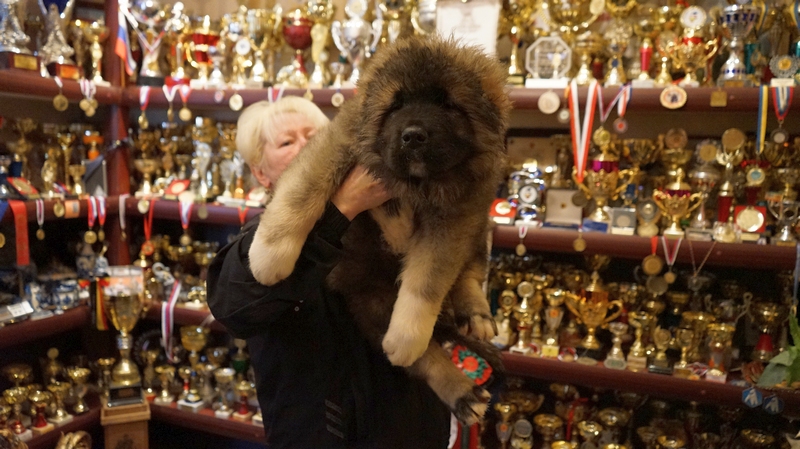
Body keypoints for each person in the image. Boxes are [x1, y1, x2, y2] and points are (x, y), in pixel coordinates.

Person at [207, 96, 452, 449]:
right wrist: (341, 209)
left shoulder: (394, 220)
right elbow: (235, 306)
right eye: (287, 142)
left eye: (318, 135)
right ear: (261, 174)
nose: (310, 148)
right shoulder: (260, 238)